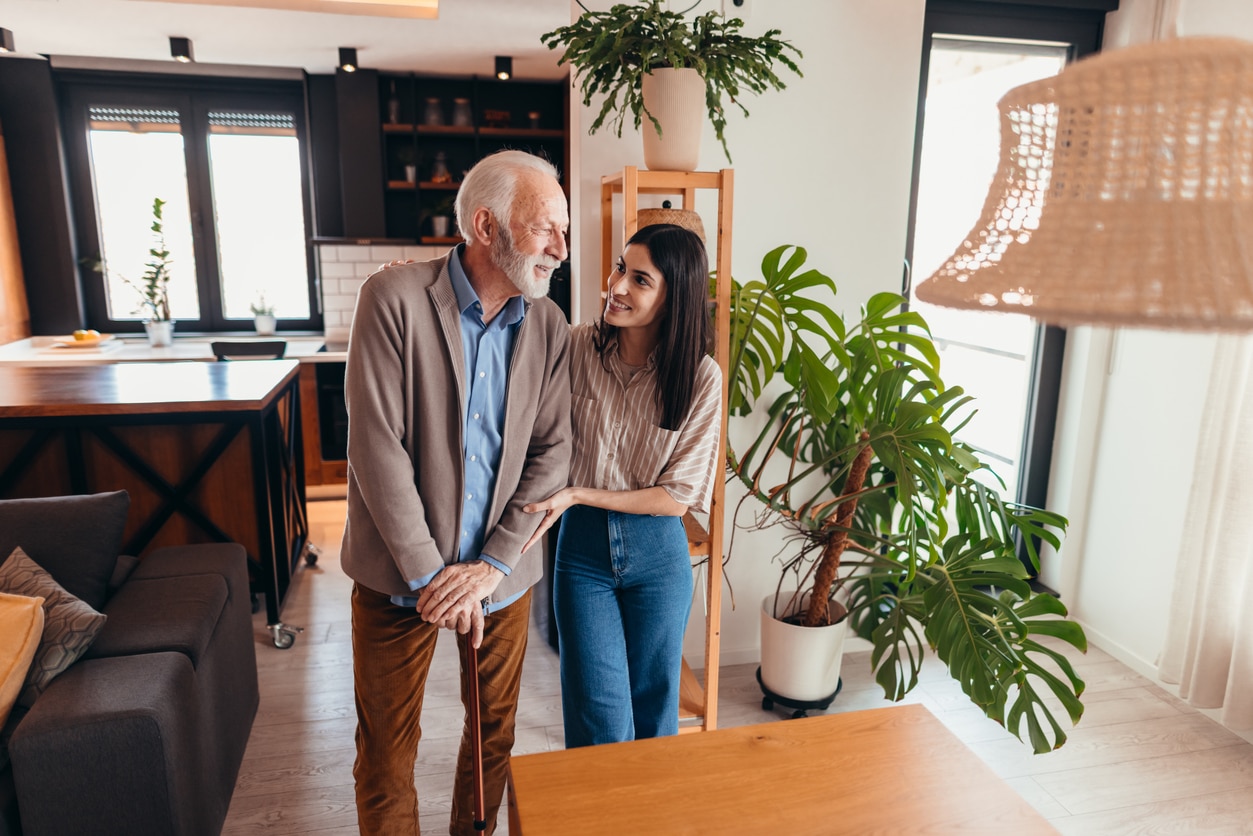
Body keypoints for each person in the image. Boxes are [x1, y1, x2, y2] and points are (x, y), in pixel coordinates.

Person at [341, 149, 572, 835]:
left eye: (563, 230)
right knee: (385, 755)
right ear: (484, 225)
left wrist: (489, 567)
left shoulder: (550, 326)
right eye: (543, 229)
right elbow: (374, 448)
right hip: (396, 583)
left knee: (493, 740)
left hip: (502, 581)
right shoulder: (393, 298)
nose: (559, 249)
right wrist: (433, 579)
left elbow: (552, 453)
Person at [523, 223, 723, 747]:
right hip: (582, 555)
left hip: (658, 557)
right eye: (619, 268)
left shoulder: (700, 378)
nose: (616, 286)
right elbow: (508, 324)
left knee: (656, 716)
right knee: (598, 721)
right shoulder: (573, 347)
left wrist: (578, 493)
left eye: (640, 279)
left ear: (673, 296)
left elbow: (676, 498)